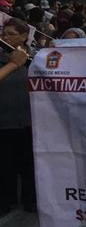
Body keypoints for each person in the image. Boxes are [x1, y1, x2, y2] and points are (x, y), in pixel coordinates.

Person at [0, 18, 36, 215]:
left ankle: (30, 199)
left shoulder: (34, 59)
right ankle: (7, 200)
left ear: (24, 36)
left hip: (28, 121)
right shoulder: (4, 59)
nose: (6, 37)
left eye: (11, 34)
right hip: (4, 121)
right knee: (5, 166)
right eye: (4, 34)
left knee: (28, 164)